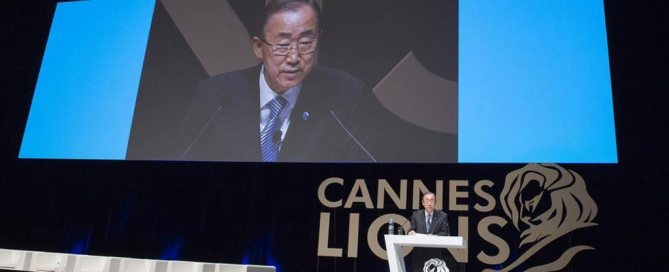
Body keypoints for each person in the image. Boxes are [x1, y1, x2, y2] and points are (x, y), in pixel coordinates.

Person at [175, 0, 375, 162]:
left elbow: (364, 174)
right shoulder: (216, 96)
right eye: (283, 44)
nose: (294, 57)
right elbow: (181, 167)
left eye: (306, 43)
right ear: (258, 47)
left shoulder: (344, 94)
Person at [408, 192, 456, 271]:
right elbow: (411, 229)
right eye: (427, 201)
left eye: (432, 200)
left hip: (435, 254)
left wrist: (434, 236)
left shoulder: (442, 216)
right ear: (423, 203)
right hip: (419, 253)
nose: (429, 203)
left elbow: (445, 232)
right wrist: (410, 232)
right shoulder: (416, 215)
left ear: (435, 202)